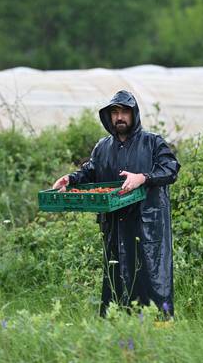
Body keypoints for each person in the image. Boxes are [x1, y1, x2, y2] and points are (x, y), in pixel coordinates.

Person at [52, 90, 180, 317]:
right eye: (115, 112)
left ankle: (157, 323)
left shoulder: (152, 142)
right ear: (109, 116)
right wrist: (70, 179)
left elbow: (170, 168)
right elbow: (90, 171)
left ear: (134, 114)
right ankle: (117, 321)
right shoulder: (103, 147)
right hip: (114, 226)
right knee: (116, 274)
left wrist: (143, 177)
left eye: (124, 112)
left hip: (146, 225)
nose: (119, 117)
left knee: (149, 275)